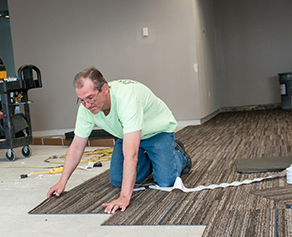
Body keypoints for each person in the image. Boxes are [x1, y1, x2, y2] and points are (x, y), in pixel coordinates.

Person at [47, 67, 191, 214]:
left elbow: (131, 155)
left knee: (166, 181)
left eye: (90, 98)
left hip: (157, 132)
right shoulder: (86, 108)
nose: (87, 105)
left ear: (104, 89)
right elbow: (77, 146)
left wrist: (124, 197)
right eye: (82, 100)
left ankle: (178, 155)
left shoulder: (127, 99)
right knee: (117, 180)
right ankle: (153, 159)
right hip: (127, 135)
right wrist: (62, 182)